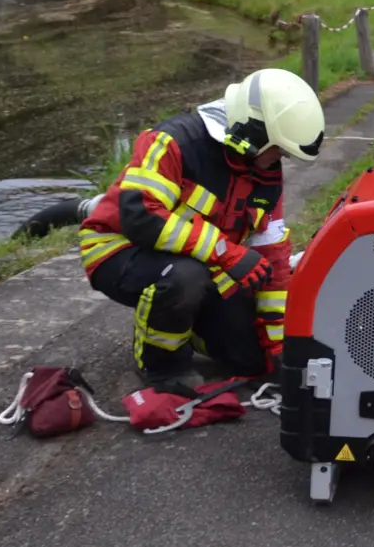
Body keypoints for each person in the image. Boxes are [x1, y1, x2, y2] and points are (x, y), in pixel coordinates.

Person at [78, 68, 325, 395]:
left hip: (199, 259)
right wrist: (227, 252)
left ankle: (188, 324)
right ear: (252, 131)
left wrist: (279, 349)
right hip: (118, 248)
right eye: (279, 150)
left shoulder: (263, 172)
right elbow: (141, 216)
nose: (280, 159)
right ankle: (161, 366)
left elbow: (274, 264)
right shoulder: (175, 142)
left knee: (251, 360)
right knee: (185, 279)